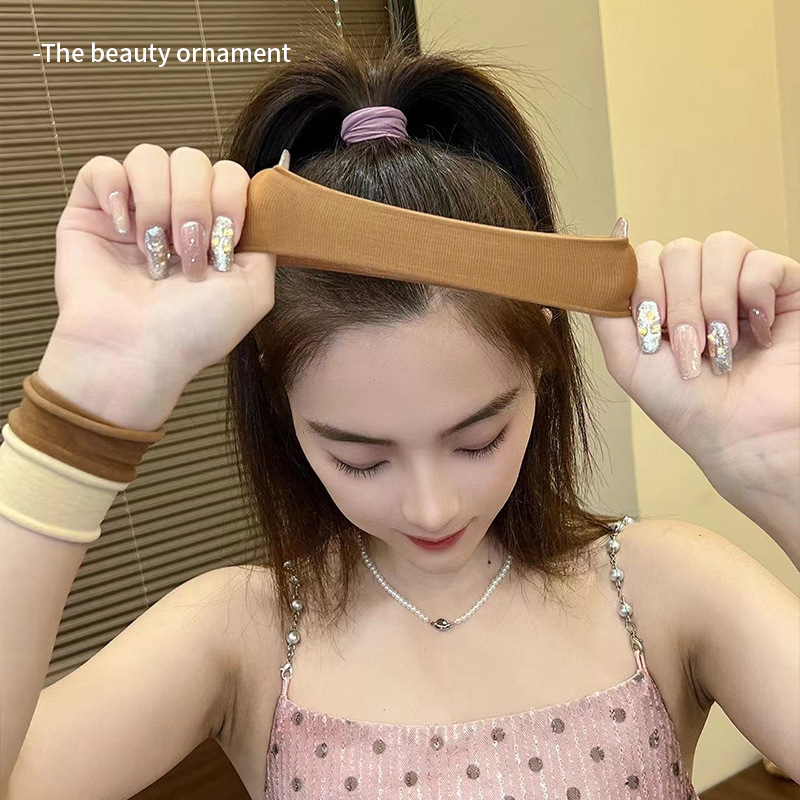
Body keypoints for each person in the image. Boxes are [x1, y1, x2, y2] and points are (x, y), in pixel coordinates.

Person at [1, 30, 798, 800]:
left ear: (542, 360)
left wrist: (780, 465)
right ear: (281, 400)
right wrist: (90, 390)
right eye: (362, 459)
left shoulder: (665, 591)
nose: (432, 507)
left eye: (479, 439)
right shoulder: (242, 636)